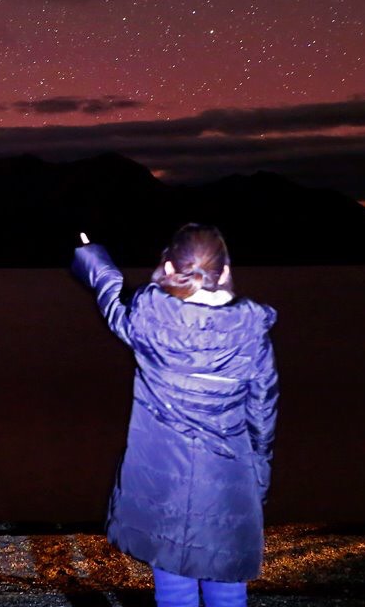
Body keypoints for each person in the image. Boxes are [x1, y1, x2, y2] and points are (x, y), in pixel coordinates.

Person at [71, 224, 278, 607]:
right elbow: (262, 419)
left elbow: (113, 306)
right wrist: (258, 481)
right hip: (230, 483)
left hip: (163, 486)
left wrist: (96, 262)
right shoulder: (251, 333)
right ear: (225, 272)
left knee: (174, 592)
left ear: (169, 270)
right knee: (228, 590)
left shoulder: (148, 319)